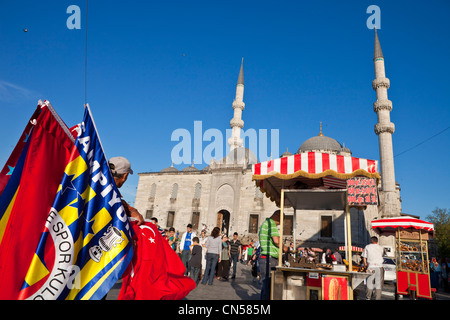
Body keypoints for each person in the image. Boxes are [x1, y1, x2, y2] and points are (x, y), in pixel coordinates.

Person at [258, 210, 288, 300]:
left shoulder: (265, 223)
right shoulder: (271, 224)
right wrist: (285, 248)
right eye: (281, 220)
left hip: (265, 258)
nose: (280, 224)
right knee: (269, 289)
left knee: (266, 287)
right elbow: (276, 241)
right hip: (269, 259)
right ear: (278, 216)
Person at [108, 157, 144, 225]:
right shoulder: (110, 192)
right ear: (125, 175)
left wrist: (131, 211)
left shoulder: (96, 185)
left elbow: (119, 202)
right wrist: (133, 212)